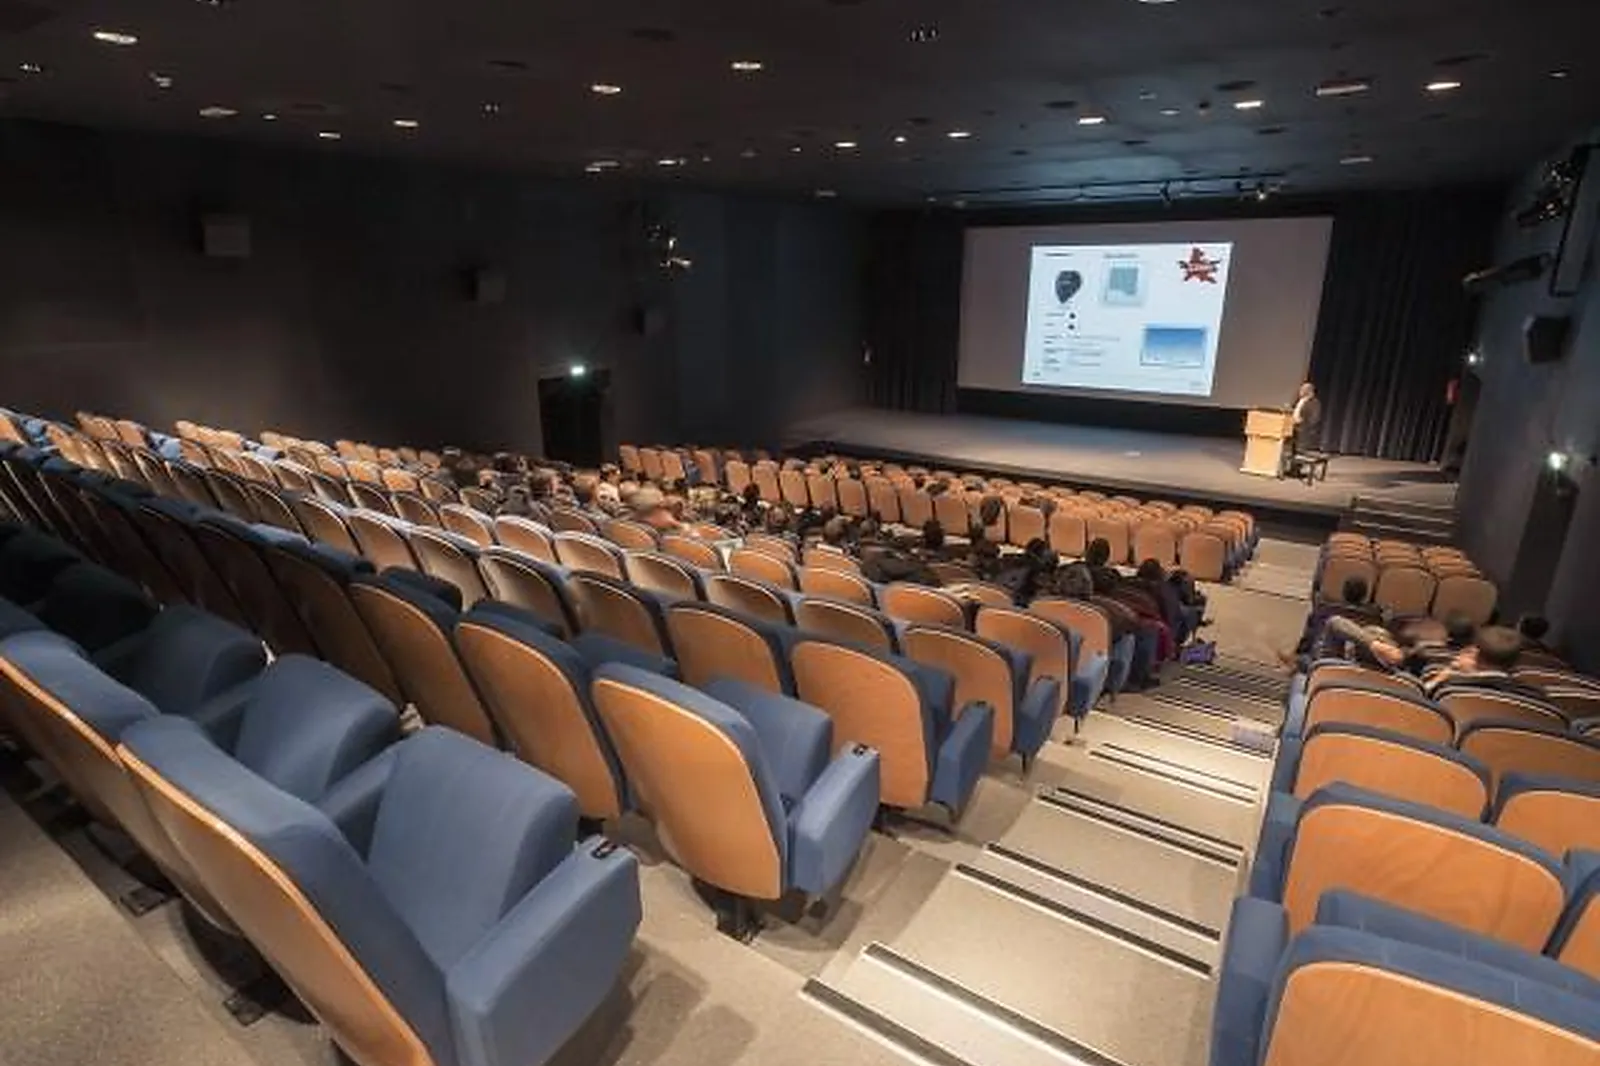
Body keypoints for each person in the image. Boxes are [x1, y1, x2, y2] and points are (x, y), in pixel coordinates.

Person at [1285, 382, 1322, 476]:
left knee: (1300, 450)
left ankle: (1297, 471)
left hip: (1305, 430)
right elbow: (1295, 410)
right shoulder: (1299, 400)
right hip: (1293, 428)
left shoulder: (1315, 402)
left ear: (1308, 391)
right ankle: (1292, 470)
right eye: (1301, 390)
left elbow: (1315, 418)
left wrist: (1303, 421)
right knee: (1293, 450)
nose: (1300, 391)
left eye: (1302, 390)